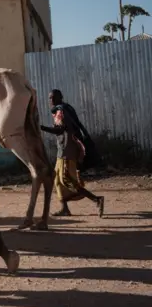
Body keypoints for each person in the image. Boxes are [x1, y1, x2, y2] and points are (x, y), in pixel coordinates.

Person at [41, 89, 104, 217]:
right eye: (50, 98)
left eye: (54, 97)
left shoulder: (61, 110)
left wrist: (41, 128)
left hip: (67, 149)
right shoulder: (64, 109)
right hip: (62, 149)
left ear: (60, 98)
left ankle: (96, 199)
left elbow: (60, 129)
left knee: (66, 179)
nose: (51, 100)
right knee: (57, 180)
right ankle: (65, 209)